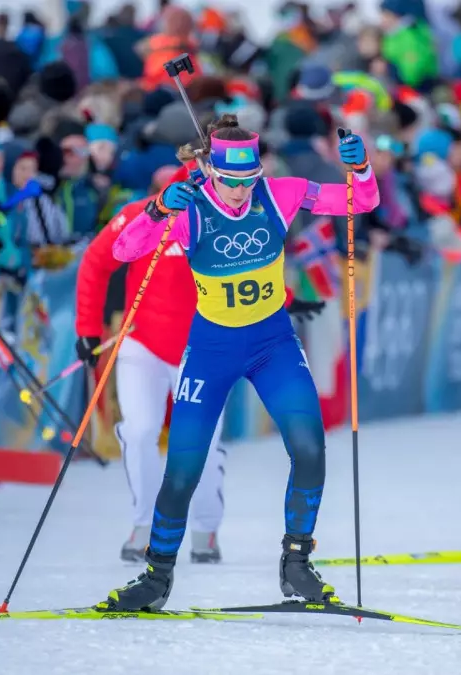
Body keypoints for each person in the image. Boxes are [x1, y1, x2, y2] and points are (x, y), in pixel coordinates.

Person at [95, 114, 376, 611]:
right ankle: (156, 578)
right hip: (211, 349)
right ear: (211, 169)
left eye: (249, 180)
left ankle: (296, 564)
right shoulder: (191, 208)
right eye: (230, 181)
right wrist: (158, 209)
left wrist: (361, 170)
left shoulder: (280, 193)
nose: (241, 192)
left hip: (273, 344)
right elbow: (122, 249)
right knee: (182, 470)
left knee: (310, 449)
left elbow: (360, 202)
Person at [74, 164, 229, 564]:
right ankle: (143, 526)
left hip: (203, 350)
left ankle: (204, 529)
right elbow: (95, 262)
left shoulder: (225, 219)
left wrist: (283, 303)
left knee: (202, 442)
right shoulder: (142, 214)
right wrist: (88, 329)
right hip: (143, 344)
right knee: (140, 432)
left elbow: (254, 271)